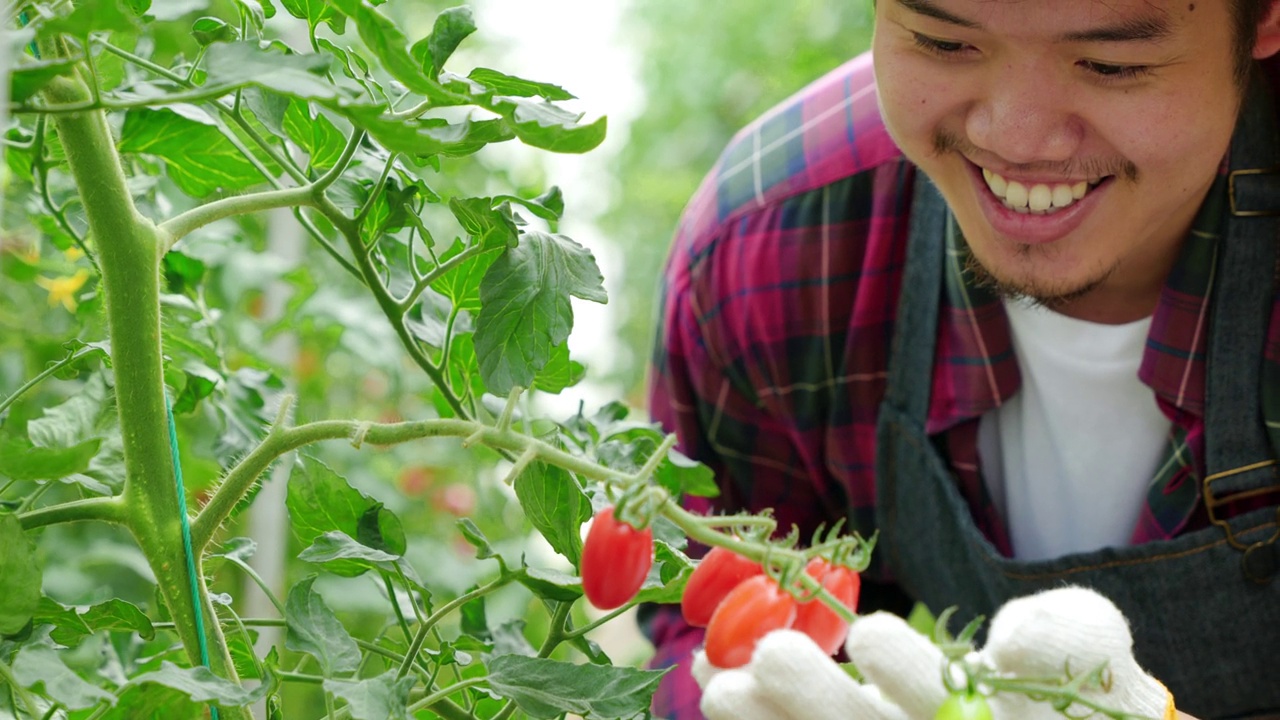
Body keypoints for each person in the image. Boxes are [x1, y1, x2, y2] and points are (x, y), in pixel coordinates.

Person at [643, 1, 1280, 718]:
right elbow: (707, 627)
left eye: (1110, 64)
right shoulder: (770, 249)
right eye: (945, 43)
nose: (1017, 137)